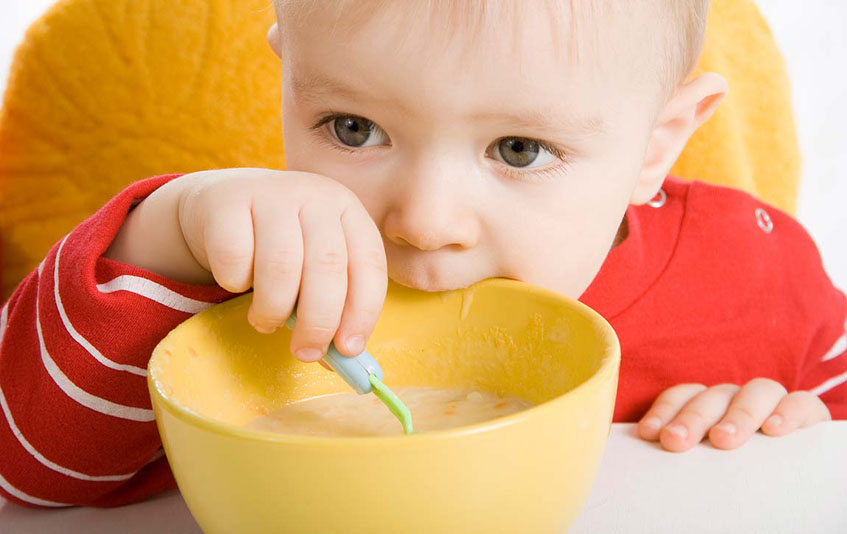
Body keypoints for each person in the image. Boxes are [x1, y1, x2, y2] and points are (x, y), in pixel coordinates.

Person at [0, 0, 844, 508]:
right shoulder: (236, 272)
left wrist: (787, 426)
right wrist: (169, 232)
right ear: (288, 76)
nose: (423, 221)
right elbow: (23, 479)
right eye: (353, 129)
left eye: (518, 150)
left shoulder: (754, 275)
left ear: (657, 145)